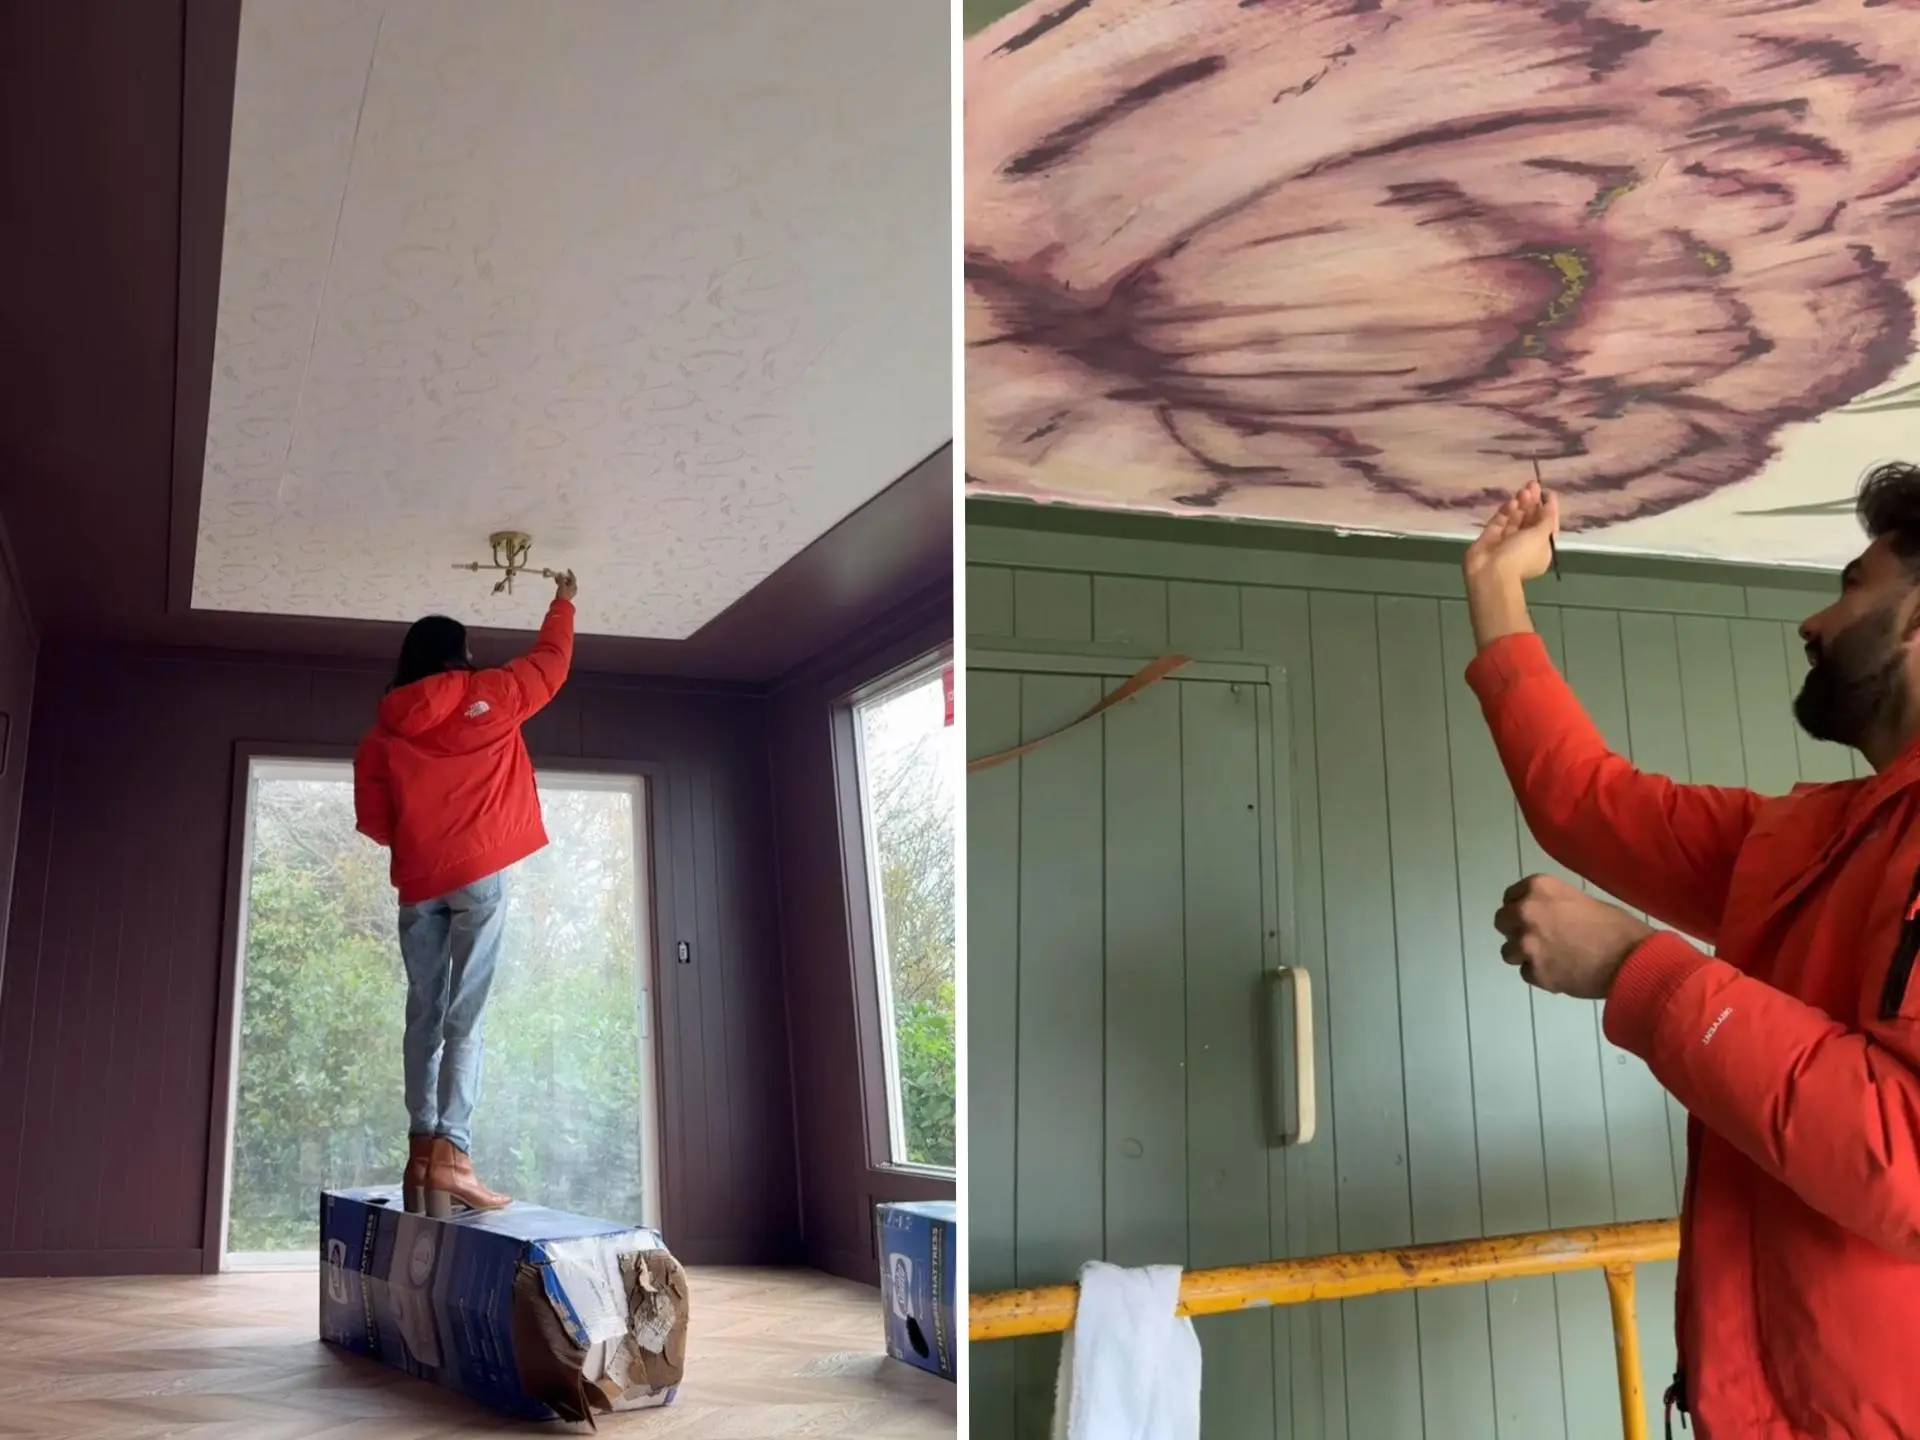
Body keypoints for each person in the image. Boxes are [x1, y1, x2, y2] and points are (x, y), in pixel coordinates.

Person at [1462, 463, 1920, 1439]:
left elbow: (1908, 1161)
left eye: (1850, 587)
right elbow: (1587, 804)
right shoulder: (1822, 836)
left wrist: (1640, 969)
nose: (1813, 622)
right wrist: (1497, 587)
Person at [353, 571, 578, 1217]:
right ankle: (454, 1154)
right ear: (461, 653)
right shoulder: (492, 694)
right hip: (478, 875)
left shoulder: (382, 733)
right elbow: (552, 663)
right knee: (467, 1013)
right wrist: (562, 601)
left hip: (418, 882)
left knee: (424, 1010)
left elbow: (373, 821)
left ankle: (421, 1152)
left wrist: (423, 836)